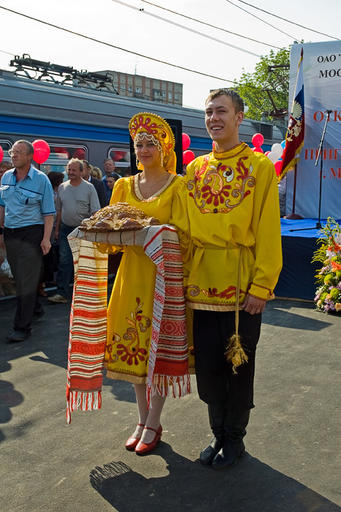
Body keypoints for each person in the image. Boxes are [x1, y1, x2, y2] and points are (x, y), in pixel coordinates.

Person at [171, 89, 282, 469]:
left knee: (239, 366)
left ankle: (235, 439)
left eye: (221, 111)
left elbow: (268, 230)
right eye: (208, 112)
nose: (213, 118)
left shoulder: (259, 167)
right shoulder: (195, 170)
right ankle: (217, 434)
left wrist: (262, 285)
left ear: (239, 117)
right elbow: (183, 229)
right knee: (209, 366)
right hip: (201, 285)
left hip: (241, 283)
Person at [105, 112, 184, 455]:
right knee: (133, 350)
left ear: (165, 147)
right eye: (139, 144)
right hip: (129, 276)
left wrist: (151, 231)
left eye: (151, 143)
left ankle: (154, 419)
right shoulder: (123, 186)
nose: (144, 149)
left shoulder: (178, 186)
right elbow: (109, 230)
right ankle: (142, 418)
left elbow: (184, 235)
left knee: (158, 351)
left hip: (161, 277)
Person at [0, 140, 55, 341]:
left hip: (32, 233)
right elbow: (2, 205)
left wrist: (46, 239)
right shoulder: (6, 176)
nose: (13, 155)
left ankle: (21, 327)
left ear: (30, 156)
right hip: (11, 233)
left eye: (19, 152)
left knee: (26, 279)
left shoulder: (41, 180)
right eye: (12, 152)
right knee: (19, 276)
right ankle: (36, 307)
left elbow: (49, 213)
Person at [48, 158, 100, 304]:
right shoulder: (63, 187)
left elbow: (95, 211)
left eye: (74, 170)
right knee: (64, 261)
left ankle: (86, 294)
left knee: (83, 263)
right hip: (65, 229)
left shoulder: (89, 188)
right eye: (69, 169)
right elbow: (59, 211)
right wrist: (57, 230)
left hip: (84, 230)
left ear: (81, 172)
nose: (70, 172)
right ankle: (62, 293)